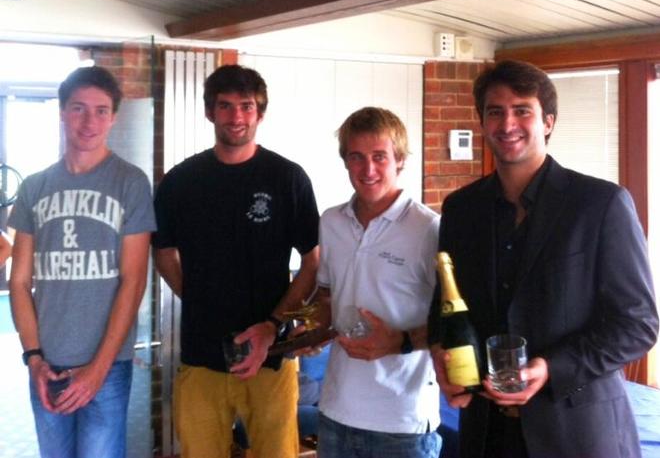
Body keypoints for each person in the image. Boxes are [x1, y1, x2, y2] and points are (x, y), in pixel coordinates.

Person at [428, 59, 659, 458]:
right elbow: (443, 311)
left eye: (522, 110)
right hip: (486, 434)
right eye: (495, 112)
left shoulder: (600, 204)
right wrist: (439, 358)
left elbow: (638, 324)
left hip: (577, 433)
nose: (507, 124)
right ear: (482, 122)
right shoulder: (461, 210)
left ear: (548, 121)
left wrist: (550, 367)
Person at [152, 64, 320, 458]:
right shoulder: (180, 181)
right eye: (225, 106)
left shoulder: (287, 178)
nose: (236, 117)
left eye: (246, 106)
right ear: (210, 112)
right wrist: (195, 297)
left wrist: (273, 326)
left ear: (260, 113)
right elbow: (162, 252)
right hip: (200, 355)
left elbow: (312, 263)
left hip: (272, 359)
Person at [8, 66, 155, 458]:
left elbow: (133, 280)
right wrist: (34, 358)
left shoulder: (131, 183)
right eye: (78, 109)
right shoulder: (34, 187)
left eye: (101, 110)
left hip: (106, 367)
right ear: (61, 112)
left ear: (114, 117)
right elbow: (19, 282)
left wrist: (99, 368)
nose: (90, 121)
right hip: (48, 365)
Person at [314, 107, 441, 458]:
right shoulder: (331, 222)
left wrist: (398, 341)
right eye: (357, 157)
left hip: (401, 424)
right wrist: (309, 330)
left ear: (399, 160)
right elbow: (327, 295)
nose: (367, 170)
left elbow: (457, 322)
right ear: (345, 162)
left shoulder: (428, 228)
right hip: (336, 412)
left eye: (379, 157)